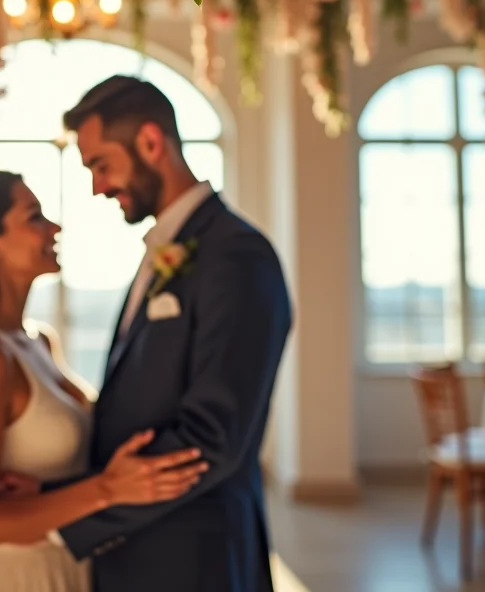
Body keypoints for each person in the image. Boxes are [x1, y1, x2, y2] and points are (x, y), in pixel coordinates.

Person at [33, 75, 294, 592]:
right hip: (139, 555)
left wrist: (70, 516)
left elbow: (211, 438)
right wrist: (55, 489)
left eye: (100, 165)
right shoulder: (166, 249)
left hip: (196, 562)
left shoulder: (237, 256)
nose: (97, 187)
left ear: (151, 143)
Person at [0, 170, 208, 592]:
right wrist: (106, 490)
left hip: (74, 568)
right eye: (34, 217)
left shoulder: (39, 341)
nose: (55, 227)